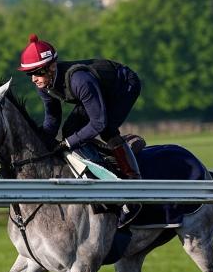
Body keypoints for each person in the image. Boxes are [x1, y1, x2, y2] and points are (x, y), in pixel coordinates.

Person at [18, 33, 142, 227]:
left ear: (51, 67)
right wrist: (42, 142)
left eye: (38, 72)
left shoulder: (79, 80)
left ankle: (132, 190)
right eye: (30, 74)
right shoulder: (44, 83)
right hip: (98, 90)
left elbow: (98, 123)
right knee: (69, 130)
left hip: (123, 86)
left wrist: (66, 144)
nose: (34, 79)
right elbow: (52, 119)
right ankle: (106, 160)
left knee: (107, 129)